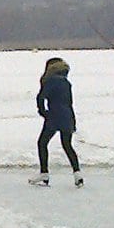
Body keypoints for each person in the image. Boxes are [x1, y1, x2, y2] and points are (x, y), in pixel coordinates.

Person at [34, 56, 83, 187]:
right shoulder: (66, 82)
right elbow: (69, 102)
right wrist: (73, 121)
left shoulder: (50, 81)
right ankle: (77, 174)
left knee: (42, 143)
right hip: (67, 116)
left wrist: (43, 112)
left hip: (54, 116)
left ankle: (44, 173)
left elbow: (41, 97)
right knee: (67, 145)